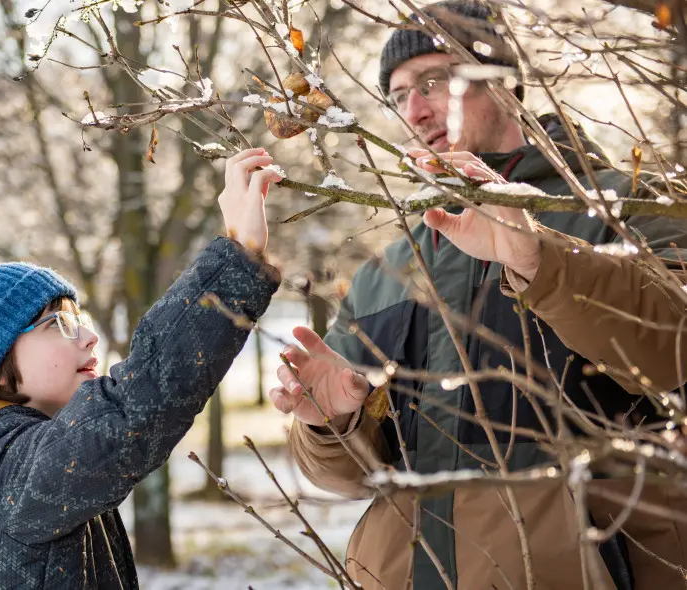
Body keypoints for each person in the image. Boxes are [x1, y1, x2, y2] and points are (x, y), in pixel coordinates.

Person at [269, 2, 687, 589]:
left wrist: (540, 259)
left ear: (502, 79)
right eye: (397, 96)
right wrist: (332, 426)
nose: (414, 110)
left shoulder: (627, 204)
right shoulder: (386, 272)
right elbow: (356, 474)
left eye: (434, 82)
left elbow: (674, 346)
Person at [0, 148, 282, 589]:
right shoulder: (0, 472)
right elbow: (131, 412)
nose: (88, 337)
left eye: (78, 319)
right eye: (57, 323)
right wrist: (238, 255)